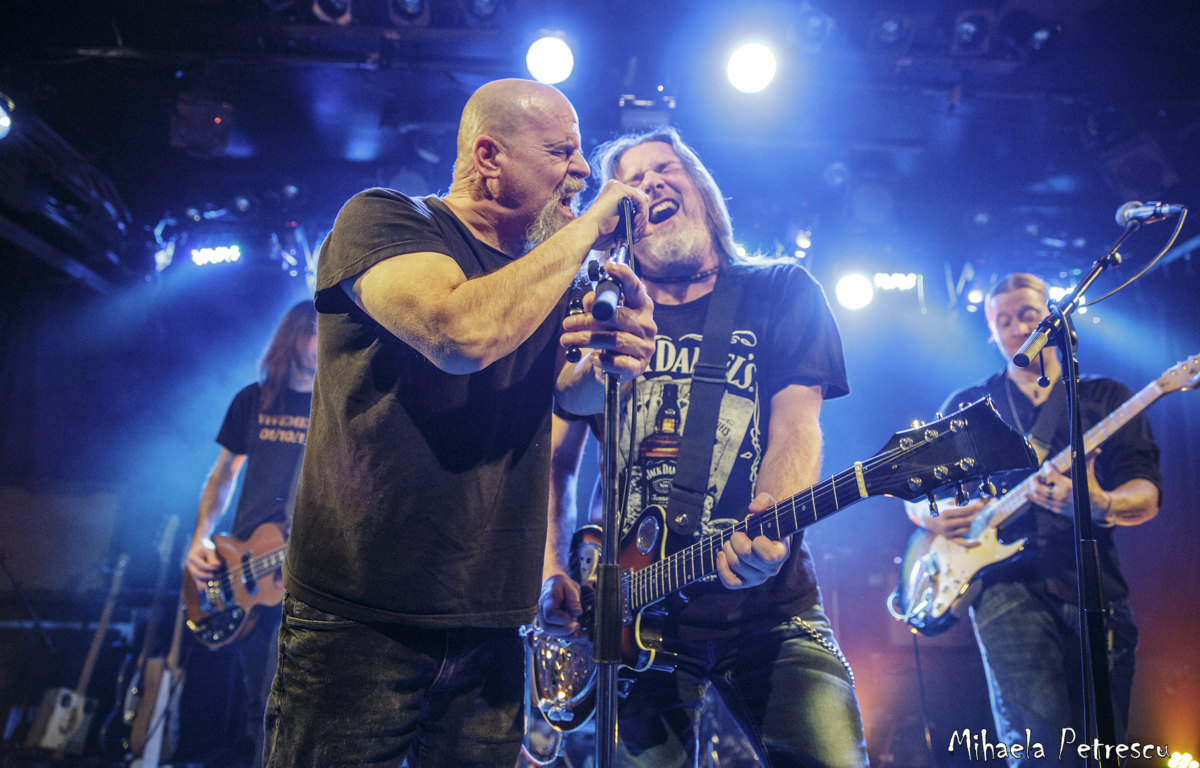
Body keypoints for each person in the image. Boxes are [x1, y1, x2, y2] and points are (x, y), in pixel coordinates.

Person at [263, 78, 657, 768]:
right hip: (362, 618)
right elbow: (457, 335)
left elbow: (573, 398)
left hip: (493, 620)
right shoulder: (385, 221)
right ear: (489, 156)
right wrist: (591, 225)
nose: (585, 170)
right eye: (563, 152)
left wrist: (615, 360)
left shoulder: (547, 275)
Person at [539, 126, 870, 768]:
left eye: (664, 169)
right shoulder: (595, 310)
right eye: (630, 183)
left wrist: (772, 519)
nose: (650, 184)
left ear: (701, 188)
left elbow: (796, 428)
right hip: (624, 611)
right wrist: (550, 569)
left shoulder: (780, 291)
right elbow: (552, 462)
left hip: (769, 610)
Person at [904, 272, 1161, 766]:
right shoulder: (967, 407)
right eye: (1003, 320)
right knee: (1040, 748)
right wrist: (933, 517)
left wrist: (1099, 503)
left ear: (1055, 317)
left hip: (1094, 586)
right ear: (992, 333)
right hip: (1004, 588)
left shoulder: (1107, 397)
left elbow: (1146, 494)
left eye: (1027, 313)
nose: (1018, 327)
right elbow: (916, 492)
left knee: (1103, 747)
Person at [183, 298, 317, 768]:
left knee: (295, 705)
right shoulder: (253, 400)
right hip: (247, 568)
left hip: (304, 569)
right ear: (295, 336)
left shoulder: (334, 407)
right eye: (316, 332)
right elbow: (223, 476)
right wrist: (201, 539)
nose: (325, 343)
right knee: (254, 707)